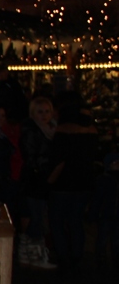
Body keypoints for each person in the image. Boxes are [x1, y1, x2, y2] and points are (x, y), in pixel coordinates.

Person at [47, 95, 99, 273]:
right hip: (84, 182)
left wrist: (50, 178)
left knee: (57, 220)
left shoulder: (63, 132)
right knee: (75, 220)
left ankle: (63, 255)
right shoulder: (91, 131)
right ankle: (77, 254)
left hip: (63, 183)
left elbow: (58, 159)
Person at [18, 97, 58, 268]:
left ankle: (29, 252)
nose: (44, 116)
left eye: (47, 111)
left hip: (45, 177)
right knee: (36, 215)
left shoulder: (53, 129)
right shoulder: (31, 130)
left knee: (39, 215)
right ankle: (34, 254)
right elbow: (30, 155)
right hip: (35, 178)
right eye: (40, 112)